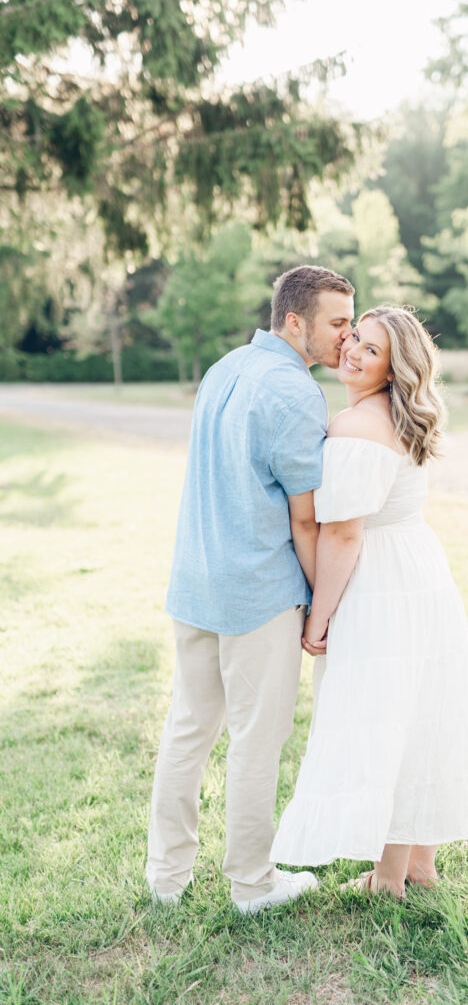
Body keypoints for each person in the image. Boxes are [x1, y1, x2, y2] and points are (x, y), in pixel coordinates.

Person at [270, 305, 468, 896]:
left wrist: (319, 616)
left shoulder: (356, 428)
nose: (352, 351)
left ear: (393, 368)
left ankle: (389, 879)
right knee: (420, 712)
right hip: (419, 572)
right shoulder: (396, 418)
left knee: (384, 719)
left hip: (378, 581)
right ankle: (418, 866)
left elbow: (345, 533)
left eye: (370, 350)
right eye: (353, 338)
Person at [146, 265, 355, 914]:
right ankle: (251, 883)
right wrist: (323, 605)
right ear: (295, 322)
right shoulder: (295, 393)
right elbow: (305, 517)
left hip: (197, 581)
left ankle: (166, 879)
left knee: (187, 730)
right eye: (337, 323)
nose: (347, 337)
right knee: (256, 741)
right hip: (257, 593)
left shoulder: (225, 368)